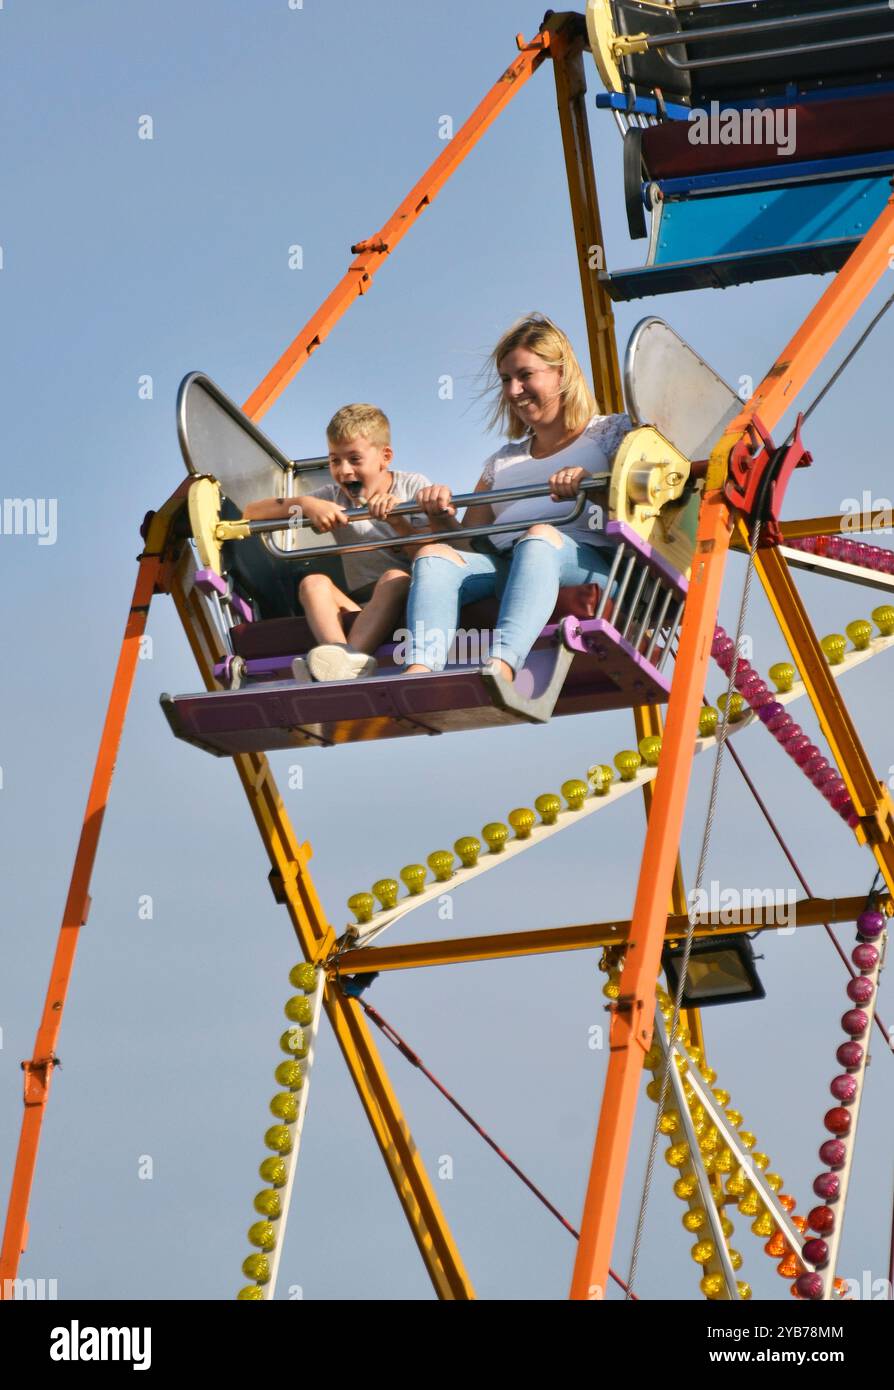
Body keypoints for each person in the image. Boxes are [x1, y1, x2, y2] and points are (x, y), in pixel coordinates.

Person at [404, 314, 632, 682]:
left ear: (561, 373)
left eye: (525, 376)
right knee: (435, 557)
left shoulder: (611, 433)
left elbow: (647, 506)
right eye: (506, 380)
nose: (513, 391)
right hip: (507, 566)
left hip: (590, 561)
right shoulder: (502, 461)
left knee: (539, 537)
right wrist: (440, 515)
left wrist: (595, 485)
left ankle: (503, 664)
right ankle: (419, 672)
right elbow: (468, 543)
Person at [242, 403, 431, 682]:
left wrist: (398, 523)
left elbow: (430, 556)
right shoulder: (334, 496)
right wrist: (306, 504)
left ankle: (340, 666)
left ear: (385, 456)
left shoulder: (412, 486)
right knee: (313, 583)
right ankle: (340, 655)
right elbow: (252, 512)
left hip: (408, 599)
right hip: (362, 607)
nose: (343, 471)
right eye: (334, 460)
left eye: (354, 459)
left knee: (395, 577)